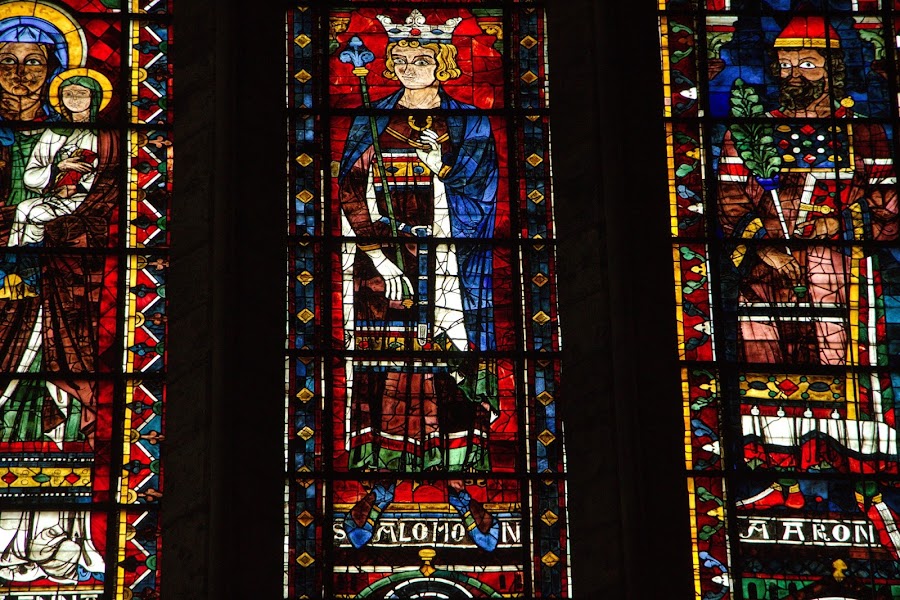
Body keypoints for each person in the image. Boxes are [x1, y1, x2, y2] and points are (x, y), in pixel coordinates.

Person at [718, 15, 900, 556]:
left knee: (839, 369)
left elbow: (890, 207)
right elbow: (729, 201)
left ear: (833, 68)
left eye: (809, 62)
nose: (795, 72)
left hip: (836, 275)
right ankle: (776, 478)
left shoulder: (863, 132)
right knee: (765, 368)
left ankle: (855, 484)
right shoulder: (750, 132)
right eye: (786, 63)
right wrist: (762, 245)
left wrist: (839, 226)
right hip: (765, 276)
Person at [338, 9, 501, 552]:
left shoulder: (469, 123)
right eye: (402, 58)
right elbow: (349, 191)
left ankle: (458, 484)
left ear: (444, 62)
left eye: (422, 58)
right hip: (383, 273)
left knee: (447, 370)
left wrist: (442, 169)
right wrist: (381, 259)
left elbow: (484, 194)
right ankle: (381, 483)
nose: (411, 67)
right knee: (389, 372)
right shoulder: (372, 119)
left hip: (450, 266)